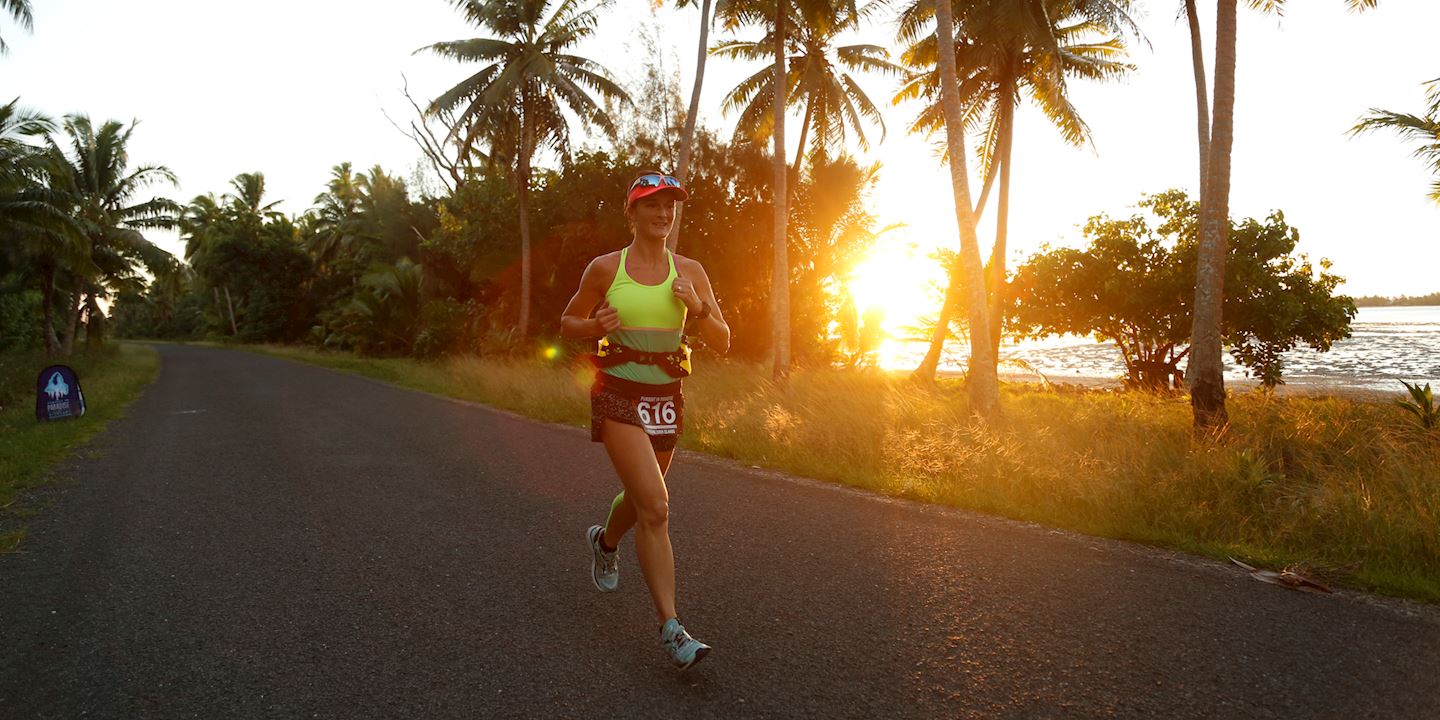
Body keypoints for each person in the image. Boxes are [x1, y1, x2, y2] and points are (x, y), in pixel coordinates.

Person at [559, 171, 730, 670]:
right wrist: (594, 325)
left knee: (641, 498)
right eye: (652, 205)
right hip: (616, 394)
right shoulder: (605, 268)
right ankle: (672, 628)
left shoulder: (692, 271)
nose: (663, 214)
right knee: (656, 505)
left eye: (669, 205)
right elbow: (567, 323)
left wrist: (697, 310)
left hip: (666, 396)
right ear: (631, 214)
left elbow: (724, 340)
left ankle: (604, 541)